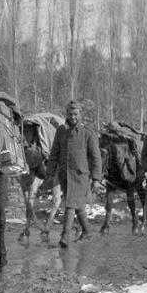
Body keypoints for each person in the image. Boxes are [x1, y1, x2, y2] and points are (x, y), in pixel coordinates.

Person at [46, 101, 103, 248]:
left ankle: (65, 236)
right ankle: (88, 231)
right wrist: (50, 172)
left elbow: (96, 158)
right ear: (66, 114)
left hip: (80, 176)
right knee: (78, 206)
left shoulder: (87, 134)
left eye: (76, 114)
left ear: (80, 115)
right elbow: (54, 153)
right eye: (70, 114)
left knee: (70, 205)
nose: (73, 117)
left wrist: (96, 179)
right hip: (65, 176)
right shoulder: (61, 132)